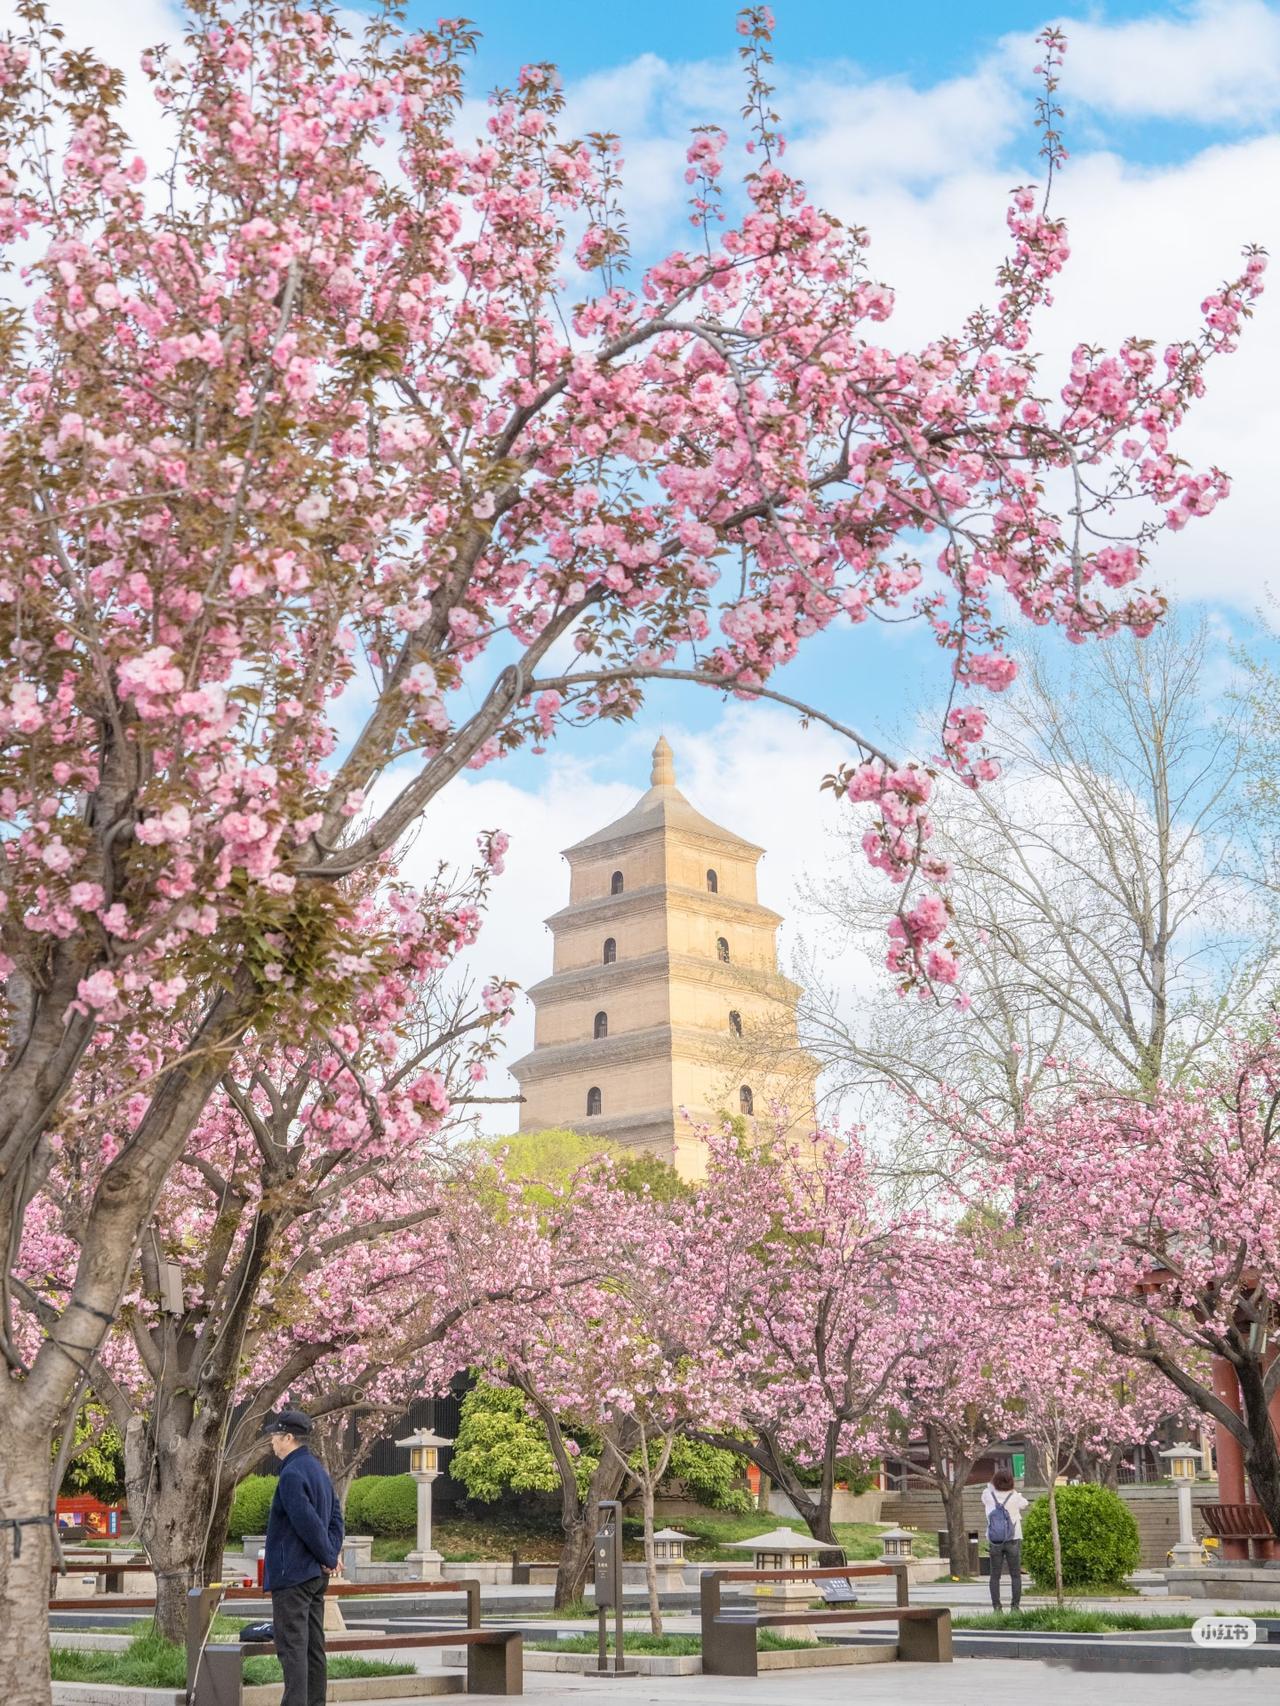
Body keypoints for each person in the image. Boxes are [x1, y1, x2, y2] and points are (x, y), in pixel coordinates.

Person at [261, 1408, 345, 1706]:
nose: (272, 1441)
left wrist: (328, 1554)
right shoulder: (317, 1470)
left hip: (293, 1573)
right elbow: (336, 1517)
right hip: (315, 1576)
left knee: (292, 1647)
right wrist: (330, 1554)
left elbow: (306, 1522)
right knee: (313, 1647)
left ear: (288, 1437)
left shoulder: (292, 1474)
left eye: (275, 1435)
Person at [982, 1466, 1029, 1612]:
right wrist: (1014, 1492)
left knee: (995, 1576)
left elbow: (986, 1491)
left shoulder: (988, 1494)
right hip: (1013, 1539)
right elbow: (1025, 1503)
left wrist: (992, 1485)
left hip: (995, 1540)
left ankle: (997, 1607)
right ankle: (1015, 1607)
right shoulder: (1015, 1497)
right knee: (1015, 1575)